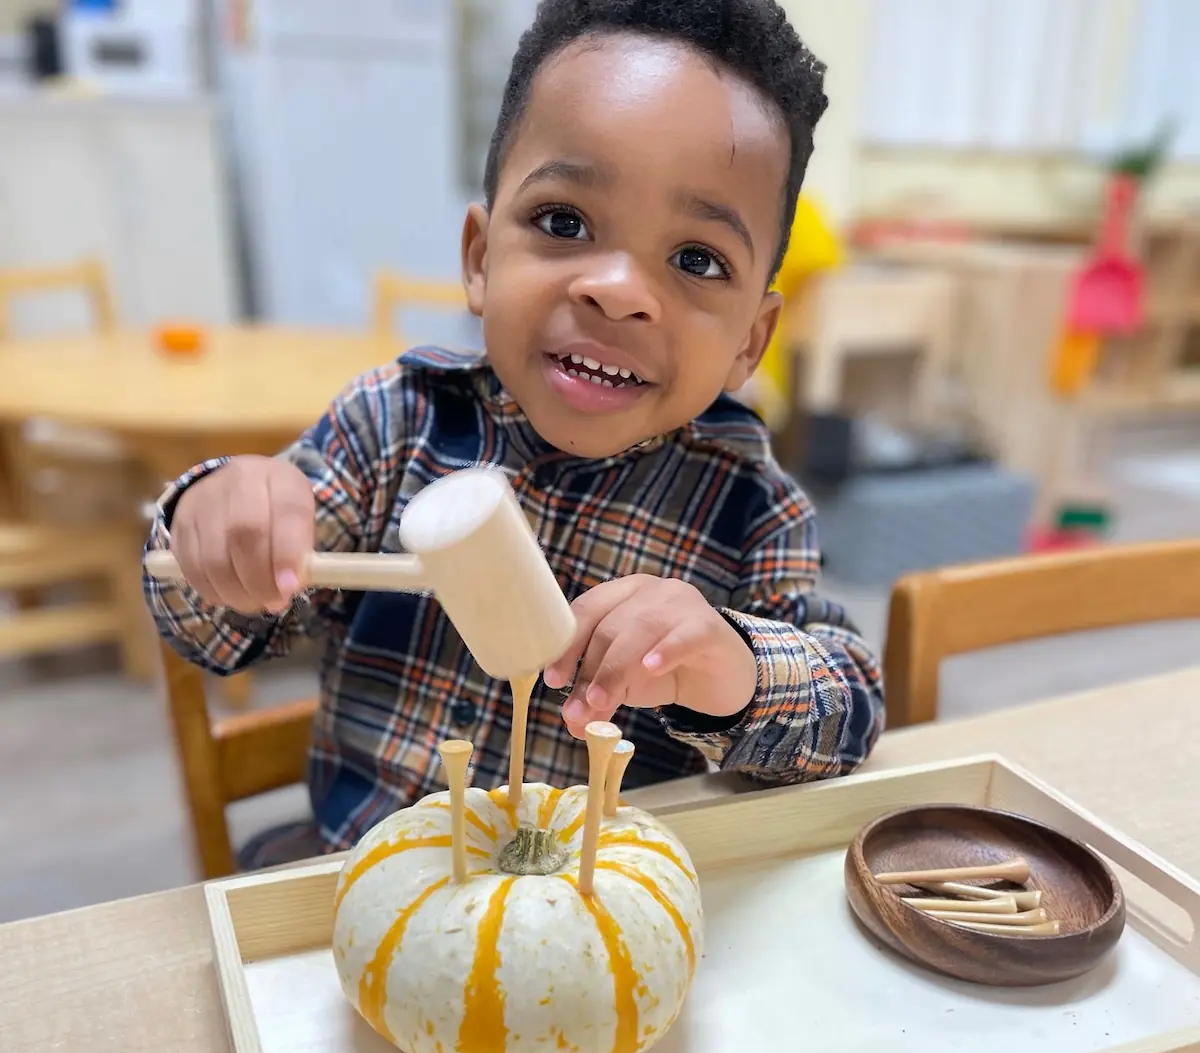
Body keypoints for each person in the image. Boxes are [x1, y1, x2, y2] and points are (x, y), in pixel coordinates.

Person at [143, 0, 885, 868]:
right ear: (480, 258)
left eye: (696, 260)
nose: (617, 289)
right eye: (565, 222)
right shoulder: (396, 427)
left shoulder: (751, 505)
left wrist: (737, 669)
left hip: (596, 917)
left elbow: (853, 712)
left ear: (749, 344)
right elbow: (218, 633)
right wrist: (219, 523)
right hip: (369, 876)